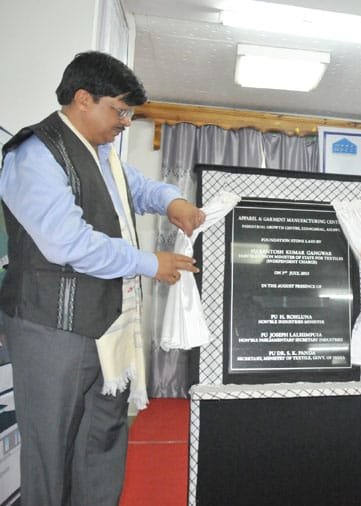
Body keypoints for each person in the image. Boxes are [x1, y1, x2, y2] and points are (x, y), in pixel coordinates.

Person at [0, 51, 205, 505]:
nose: (126, 121)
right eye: (120, 110)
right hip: (51, 326)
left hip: (104, 323)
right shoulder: (36, 154)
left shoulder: (102, 155)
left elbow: (142, 188)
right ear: (82, 99)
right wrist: (151, 263)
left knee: (103, 438)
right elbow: (67, 244)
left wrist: (175, 204)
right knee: (51, 450)